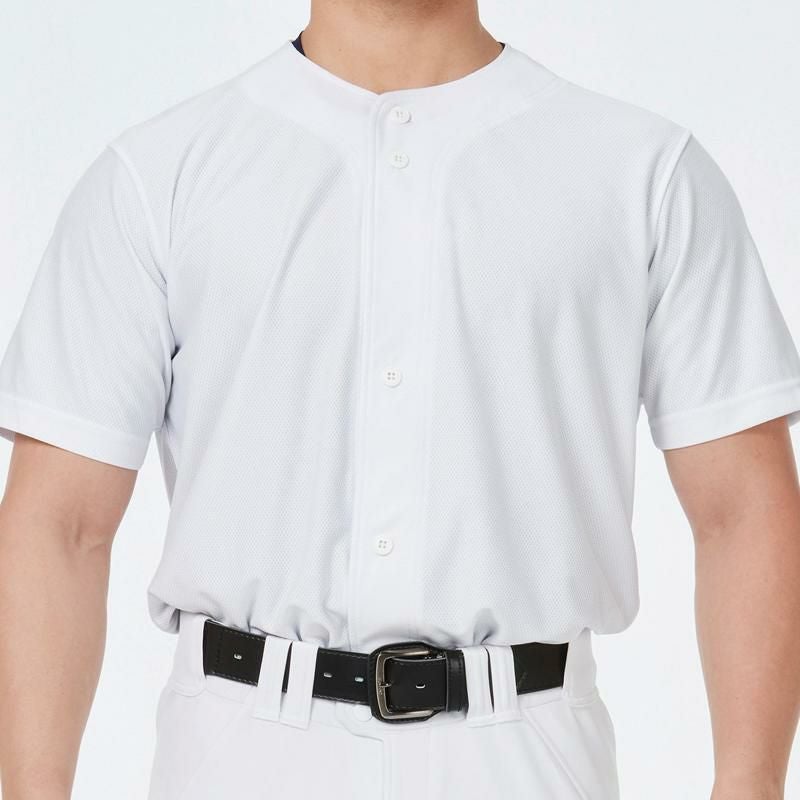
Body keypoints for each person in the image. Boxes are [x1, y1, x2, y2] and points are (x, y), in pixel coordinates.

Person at [1, 1, 800, 798]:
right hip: (238, 757)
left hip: (528, 759)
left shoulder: (642, 170)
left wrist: (752, 782)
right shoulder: (159, 175)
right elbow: (59, 526)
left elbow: (742, 508)